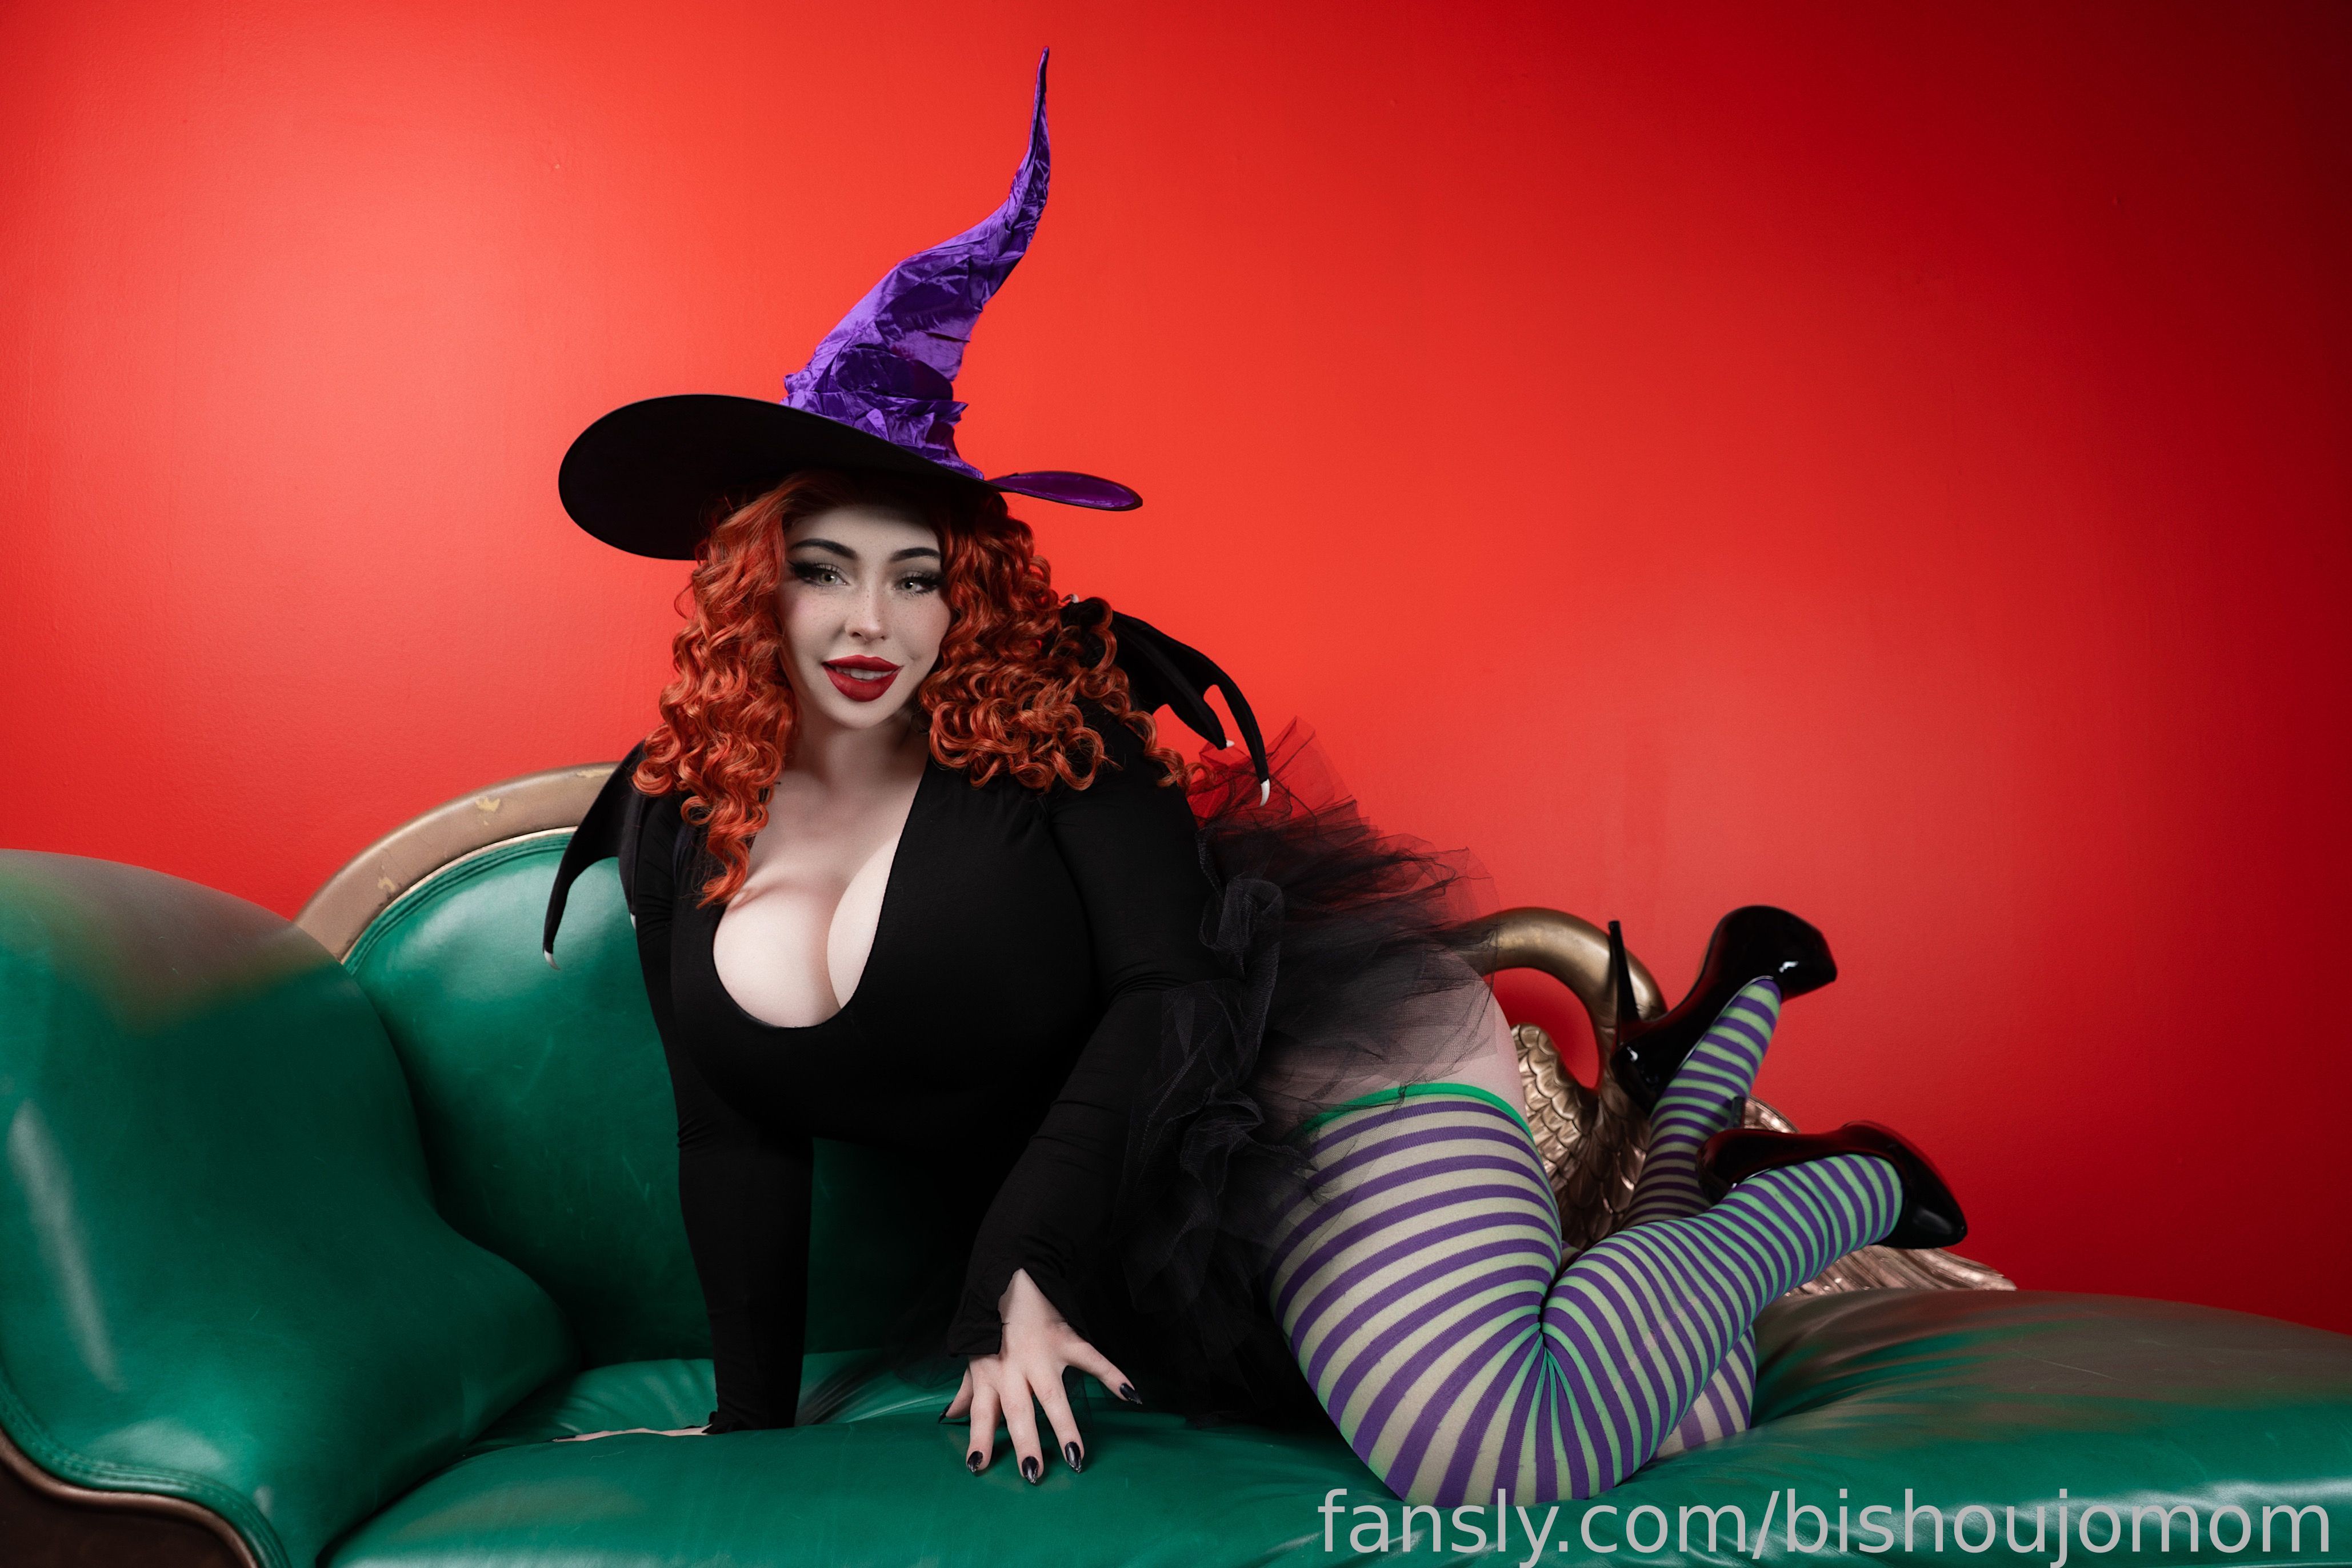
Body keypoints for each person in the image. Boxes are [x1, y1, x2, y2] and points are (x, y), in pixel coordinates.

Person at [542, 51, 1967, 1507]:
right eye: (824, 571)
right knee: (1685, 1411)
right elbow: (733, 1133)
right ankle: (1691, 1135)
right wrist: (747, 1432)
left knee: (1493, 1447)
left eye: (916, 578)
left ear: (963, 592)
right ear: (752, 584)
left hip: (1312, 1079)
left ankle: (1824, 1190)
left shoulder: (1053, 722)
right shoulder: (675, 819)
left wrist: (1017, 1269)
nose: (870, 624)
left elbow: (1173, 989)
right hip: (1142, 1211)